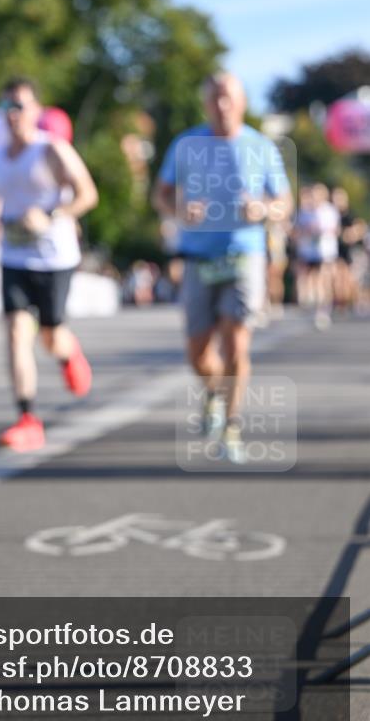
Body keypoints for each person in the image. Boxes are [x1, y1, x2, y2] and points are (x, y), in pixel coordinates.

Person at [152, 72, 292, 463]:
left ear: (243, 101)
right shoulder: (186, 144)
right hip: (199, 258)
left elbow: (284, 203)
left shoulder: (260, 147)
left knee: (236, 342)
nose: (222, 104)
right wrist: (179, 209)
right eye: (215, 97)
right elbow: (160, 196)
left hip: (244, 253)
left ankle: (231, 426)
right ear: (205, 103)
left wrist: (263, 209)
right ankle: (213, 391)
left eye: (229, 96)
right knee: (198, 353)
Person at [0, 77, 98, 451]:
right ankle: (28, 418)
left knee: (50, 337)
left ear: (35, 111)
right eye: (5, 108)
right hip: (14, 256)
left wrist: (50, 214)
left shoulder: (52, 150)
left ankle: (69, 351)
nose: (12, 115)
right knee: (16, 331)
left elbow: (87, 194)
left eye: (19, 107)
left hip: (54, 258)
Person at [292, 183, 340, 328]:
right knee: (310, 282)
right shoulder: (303, 212)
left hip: (326, 251)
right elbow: (296, 232)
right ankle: (313, 309)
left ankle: (323, 311)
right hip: (308, 252)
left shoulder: (329, 210)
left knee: (323, 281)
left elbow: (335, 230)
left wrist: (321, 230)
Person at [331, 186, 367, 311]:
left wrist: (350, 234)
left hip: (352, 251)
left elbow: (360, 227)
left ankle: (353, 302)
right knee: (338, 277)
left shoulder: (350, 213)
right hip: (338, 251)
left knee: (351, 278)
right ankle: (340, 303)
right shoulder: (332, 214)